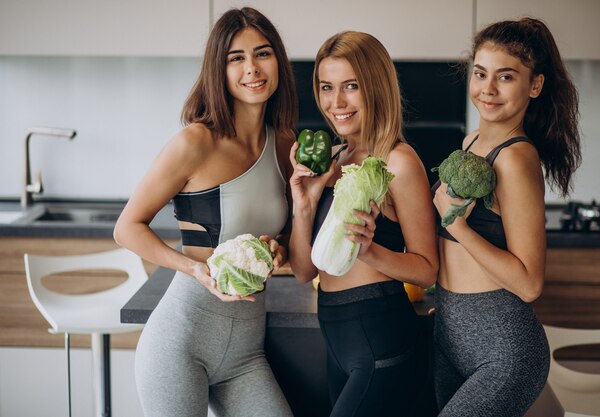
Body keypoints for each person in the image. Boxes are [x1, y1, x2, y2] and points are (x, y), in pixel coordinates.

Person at [113, 7, 297, 417]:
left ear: (278, 61)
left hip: (246, 353)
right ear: (220, 68)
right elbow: (127, 228)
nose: (252, 68)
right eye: (236, 58)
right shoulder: (196, 142)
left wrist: (278, 249)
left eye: (262, 54)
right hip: (181, 341)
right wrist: (193, 268)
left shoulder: (284, 143)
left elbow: (284, 234)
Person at [432, 17, 581, 417]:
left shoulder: (515, 159)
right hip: (451, 330)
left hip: (504, 348)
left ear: (535, 85)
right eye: (481, 74)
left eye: (506, 77)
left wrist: (457, 225)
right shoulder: (471, 143)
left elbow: (530, 283)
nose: (488, 89)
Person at [288, 31, 439, 417]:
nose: (336, 102)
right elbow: (305, 271)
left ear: (375, 88)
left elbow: (426, 270)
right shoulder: (333, 157)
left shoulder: (399, 161)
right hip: (337, 342)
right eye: (326, 87)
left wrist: (370, 250)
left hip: (381, 343)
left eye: (350, 86)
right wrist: (302, 205)